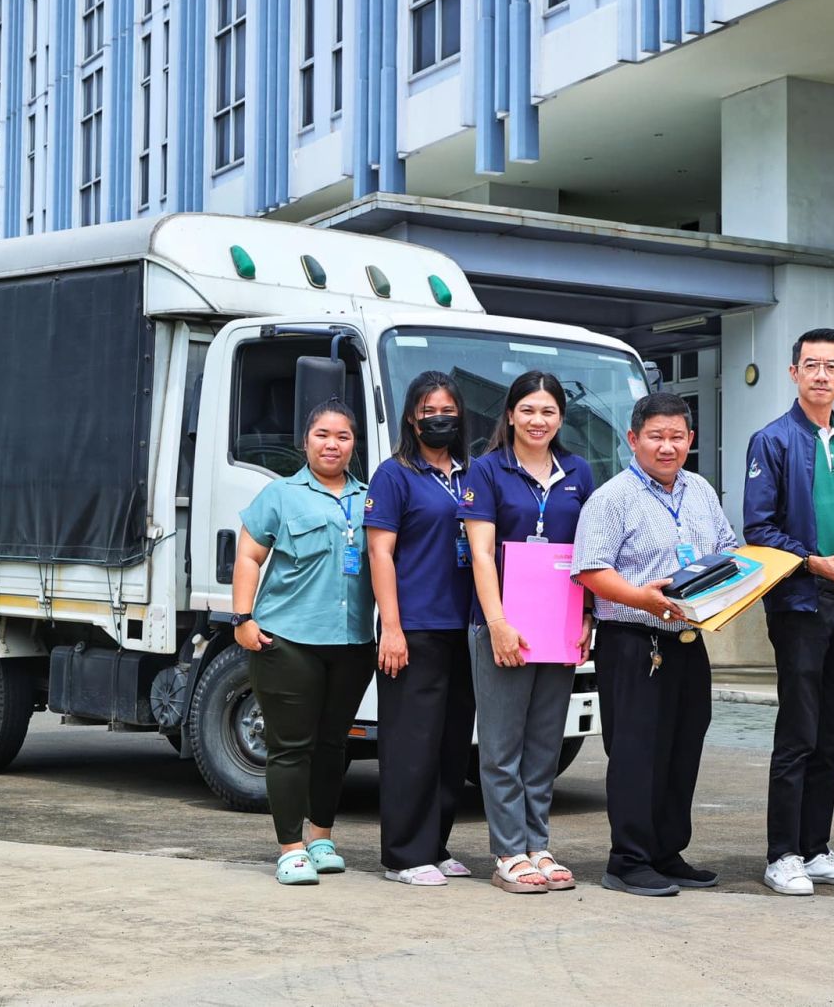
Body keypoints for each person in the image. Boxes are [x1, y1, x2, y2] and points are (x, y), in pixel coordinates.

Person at [573, 392, 739, 897]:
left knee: (681, 748)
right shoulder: (612, 497)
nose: (666, 447)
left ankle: (667, 852)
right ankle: (628, 859)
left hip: (688, 639)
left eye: (676, 437)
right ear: (633, 439)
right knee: (637, 752)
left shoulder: (701, 491)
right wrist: (643, 601)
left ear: (690, 439)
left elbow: (728, 549)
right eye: (655, 436)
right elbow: (592, 570)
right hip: (633, 640)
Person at [743, 327, 834, 896]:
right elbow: (759, 528)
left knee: (832, 730)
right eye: (811, 365)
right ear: (793, 373)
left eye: (832, 366)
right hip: (800, 599)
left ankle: (817, 847)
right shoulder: (771, 441)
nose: (822, 374)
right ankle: (782, 854)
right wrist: (813, 563)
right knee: (798, 728)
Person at [232, 399, 375, 886]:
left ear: (354, 444)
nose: (332, 444)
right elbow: (249, 555)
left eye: (343, 437)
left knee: (334, 745)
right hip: (287, 638)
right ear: (305, 441)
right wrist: (243, 618)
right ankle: (290, 847)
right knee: (290, 746)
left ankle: (320, 836)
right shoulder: (281, 495)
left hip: (352, 641)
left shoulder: (369, 498)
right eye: (322, 435)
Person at [464, 371, 596, 894]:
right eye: (528, 410)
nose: (537, 421)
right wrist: (497, 623)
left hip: (558, 626)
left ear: (560, 417)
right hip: (503, 624)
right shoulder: (487, 470)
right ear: (511, 415)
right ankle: (508, 853)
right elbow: (480, 553)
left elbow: (589, 555)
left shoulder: (579, 472)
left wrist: (587, 617)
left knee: (544, 743)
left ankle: (538, 845)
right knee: (501, 746)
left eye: (548, 412)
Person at [365, 371, 478, 887]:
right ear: (413, 416)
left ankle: (435, 843)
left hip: (465, 626)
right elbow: (379, 552)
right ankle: (404, 855)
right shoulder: (395, 474)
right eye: (429, 409)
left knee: (452, 744)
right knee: (411, 744)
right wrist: (392, 626)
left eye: (448, 409)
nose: (439, 418)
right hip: (414, 628)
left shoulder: (470, 473)